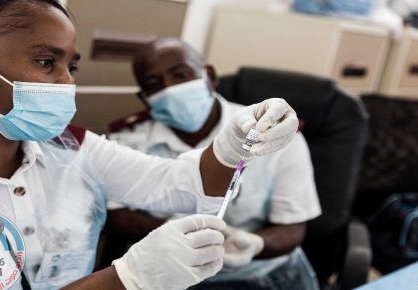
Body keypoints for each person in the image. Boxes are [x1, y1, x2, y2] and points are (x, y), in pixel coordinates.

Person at [0, 1, 300, 290]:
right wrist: (129, 277)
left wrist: (234, 145)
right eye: (45, 62)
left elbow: (175, 184)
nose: (66, 82)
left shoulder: (70, 148)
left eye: (71, 67)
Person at [106, 37, 321, 289]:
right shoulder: (125, 140)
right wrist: (173, 232)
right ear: (144, 97)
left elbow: (292, 226)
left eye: (181, 74)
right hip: (170, 274)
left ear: (209, 75)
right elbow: (119, 217)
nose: (170, 88)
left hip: (261, 274)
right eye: (154, 84)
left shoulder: (273, 132)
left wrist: (254, 244)